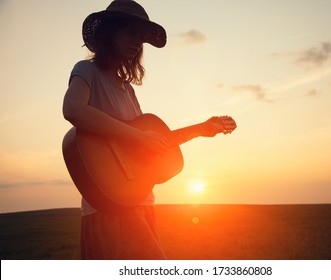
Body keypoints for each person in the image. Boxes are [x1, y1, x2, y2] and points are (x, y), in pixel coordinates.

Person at [63, 0, 236, 260]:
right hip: (108, 203)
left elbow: (140, 148)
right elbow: (72, 109)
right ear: (110, 32)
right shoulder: (87, 70)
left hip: (140, 201)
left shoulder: (127, 89)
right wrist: (137, 136)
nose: (137, 43)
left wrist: (201, 129)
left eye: (141, 38)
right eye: (132, 33)